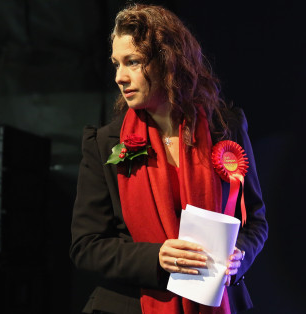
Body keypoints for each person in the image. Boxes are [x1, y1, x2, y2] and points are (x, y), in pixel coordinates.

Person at [70, 4, 268, 314]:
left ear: (167, 62)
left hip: (218, 301)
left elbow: (254, 220)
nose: (120, 77)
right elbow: (86, 246)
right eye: (116, 64)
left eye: (132, 62)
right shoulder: (106, 143)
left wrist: (239, 253)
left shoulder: (225, 128)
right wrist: (156, 257)